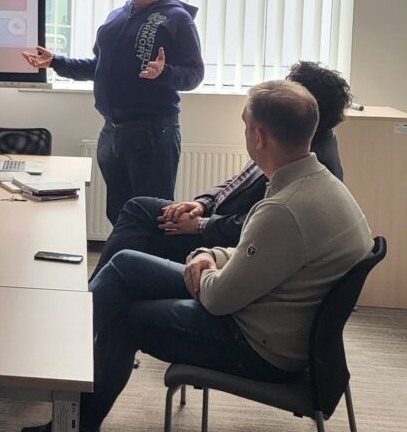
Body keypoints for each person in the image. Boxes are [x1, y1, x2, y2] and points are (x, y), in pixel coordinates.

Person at [20, 80, 372, 432]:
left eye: (245, 125)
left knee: (124, 320)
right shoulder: (316, 183)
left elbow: (219, 299)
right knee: (125, 265)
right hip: (273, 317)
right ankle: (59, 356)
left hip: (260, 346)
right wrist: (208, 254)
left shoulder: (285, 208)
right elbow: (256, 251)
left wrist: (202, 268)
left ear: (258, 136)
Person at [91, 60, 352, 280]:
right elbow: (240, 180)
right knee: (139, 208)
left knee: (135, 247)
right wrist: (202, 203)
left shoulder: (309, 161)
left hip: (226, 243)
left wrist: (200, 225)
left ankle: (99, 295)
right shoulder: (286, 137)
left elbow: (264, 225)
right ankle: (97, 292)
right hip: (214, 218)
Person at [23, 0, 204, 226]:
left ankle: (145, 257)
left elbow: (194, 74)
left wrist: (164, 72)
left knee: (152, 216)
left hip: (152, 133)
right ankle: (122, 254)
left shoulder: (177, 18)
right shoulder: (117, 16)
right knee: (118, 214)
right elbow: (98, 67)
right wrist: (56, 62)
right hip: (112, 131)